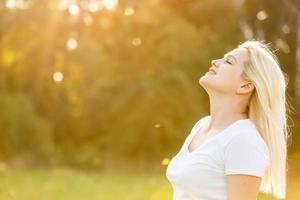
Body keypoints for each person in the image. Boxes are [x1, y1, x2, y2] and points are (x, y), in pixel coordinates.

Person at [166, 40, 290, 200]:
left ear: (245, 86)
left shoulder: (245, 140)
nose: (215, 62)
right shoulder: (201, 126)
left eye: (228, 61)